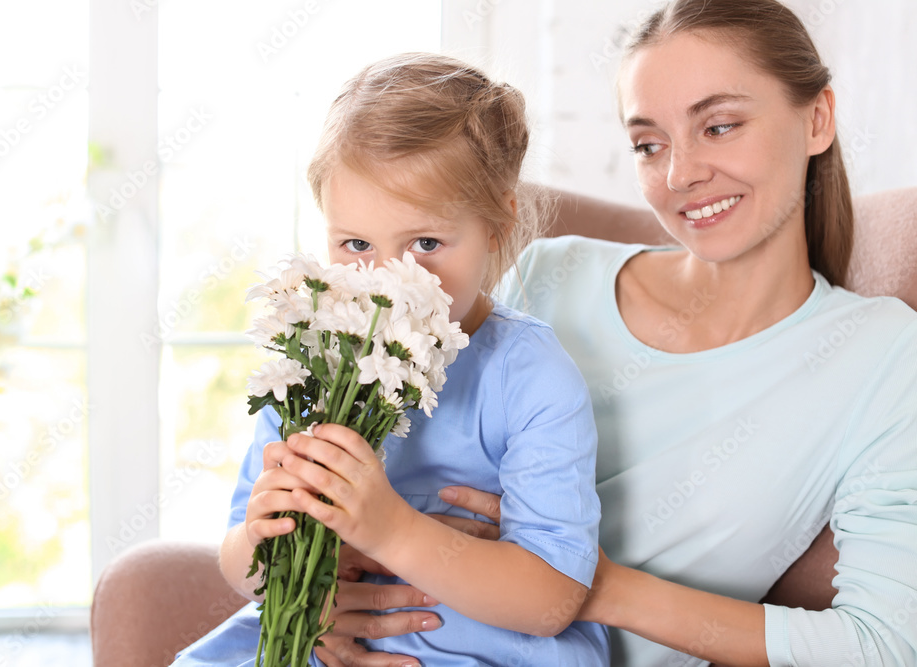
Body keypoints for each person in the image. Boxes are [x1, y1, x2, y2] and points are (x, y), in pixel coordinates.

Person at [312, 1, 917, 666]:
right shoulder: (551, 274)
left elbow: (883, 643)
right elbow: (407, 471)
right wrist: (325, 599)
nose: (681, 173)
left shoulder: (883, 358)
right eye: (648, 144)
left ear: (818, 119)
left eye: (718, 126)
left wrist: (590, 588)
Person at [171, 53, 610, 666]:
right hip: (327, 637)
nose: (387, 282)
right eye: (355, 244)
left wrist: (392, 530)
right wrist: (270, 551)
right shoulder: (314, 364)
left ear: (497, 225)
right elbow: (241, 565)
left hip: (477, 642)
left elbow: (552, 600)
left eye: (426, 243)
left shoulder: (530, 374)